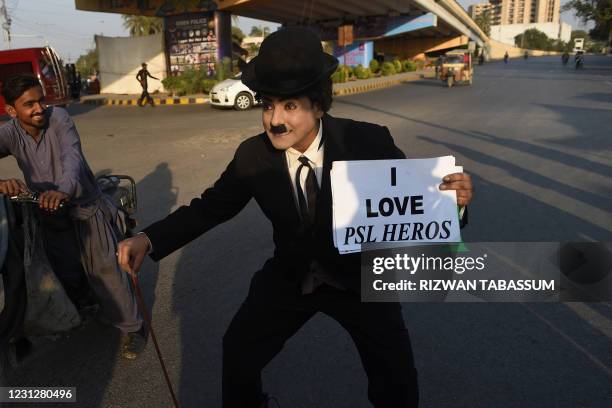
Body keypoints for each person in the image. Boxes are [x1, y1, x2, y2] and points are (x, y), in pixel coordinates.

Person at [118, 27, 474, 407]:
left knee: (397, 380)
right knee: (238, 351)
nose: (275, 120)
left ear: (319, 105)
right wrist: (148, 239)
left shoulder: (367, 142)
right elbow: (211, 207)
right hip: (291, 277)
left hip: (362, 280)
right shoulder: (252, 157)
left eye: (290, 106)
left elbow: (417, 204)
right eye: (267, 105)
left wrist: (455, 201)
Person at [0, 75, 146, 360]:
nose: (39, 108)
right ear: (11, 111)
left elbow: (72, 157)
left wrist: (63, 191)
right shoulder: (9, 133)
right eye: (29, 104)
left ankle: (133, 328)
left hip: (85, 208)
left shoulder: (60, 118)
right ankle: (87, 304)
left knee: (107, 271)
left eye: (41, 99)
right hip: (48, 215)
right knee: (66, 268)